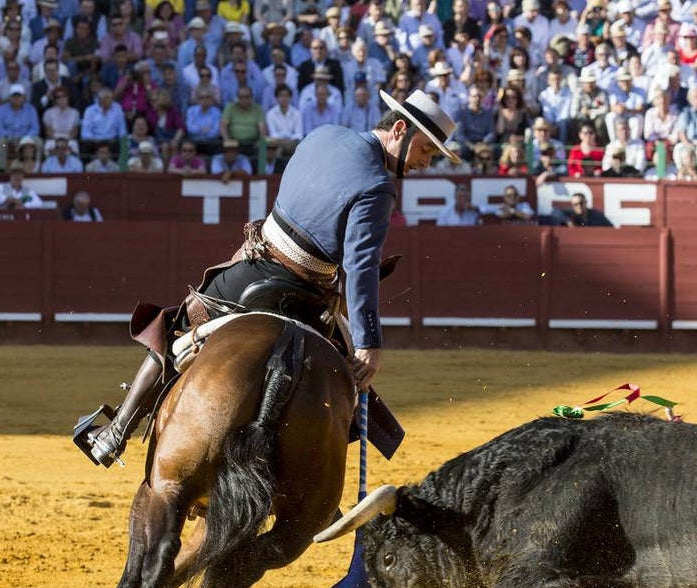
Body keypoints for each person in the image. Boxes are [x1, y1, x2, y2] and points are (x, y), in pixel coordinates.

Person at [75, 88, 461, 468]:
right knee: (344, 383)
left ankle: (116, 431)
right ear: (398, 130)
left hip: (250, 266)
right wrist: (369, 342)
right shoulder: (379, 187)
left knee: (177, 327)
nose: (425, 163)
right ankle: (317, 485)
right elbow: (360, 267)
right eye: (426, 149)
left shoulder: (324, 133)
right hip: (301, 293)